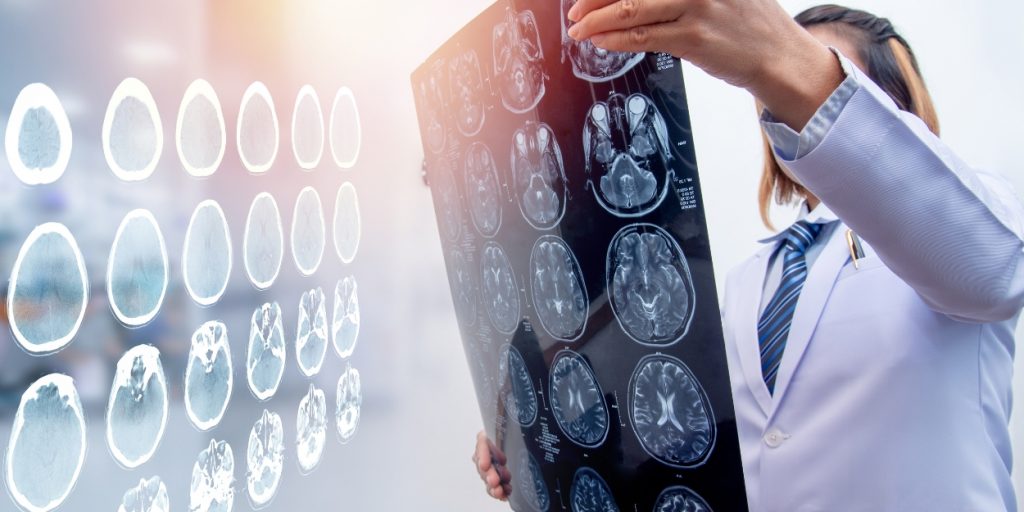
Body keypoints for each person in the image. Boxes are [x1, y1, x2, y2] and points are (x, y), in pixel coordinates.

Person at [473, 2, 1024, 510]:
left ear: (889, 105)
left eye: (804, 76)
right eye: (768, 92)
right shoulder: (746, 281)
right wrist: (533, 442)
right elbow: (694, 446)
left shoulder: (979, 214)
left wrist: (774, 55)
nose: (775, 99)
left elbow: (995, 271)